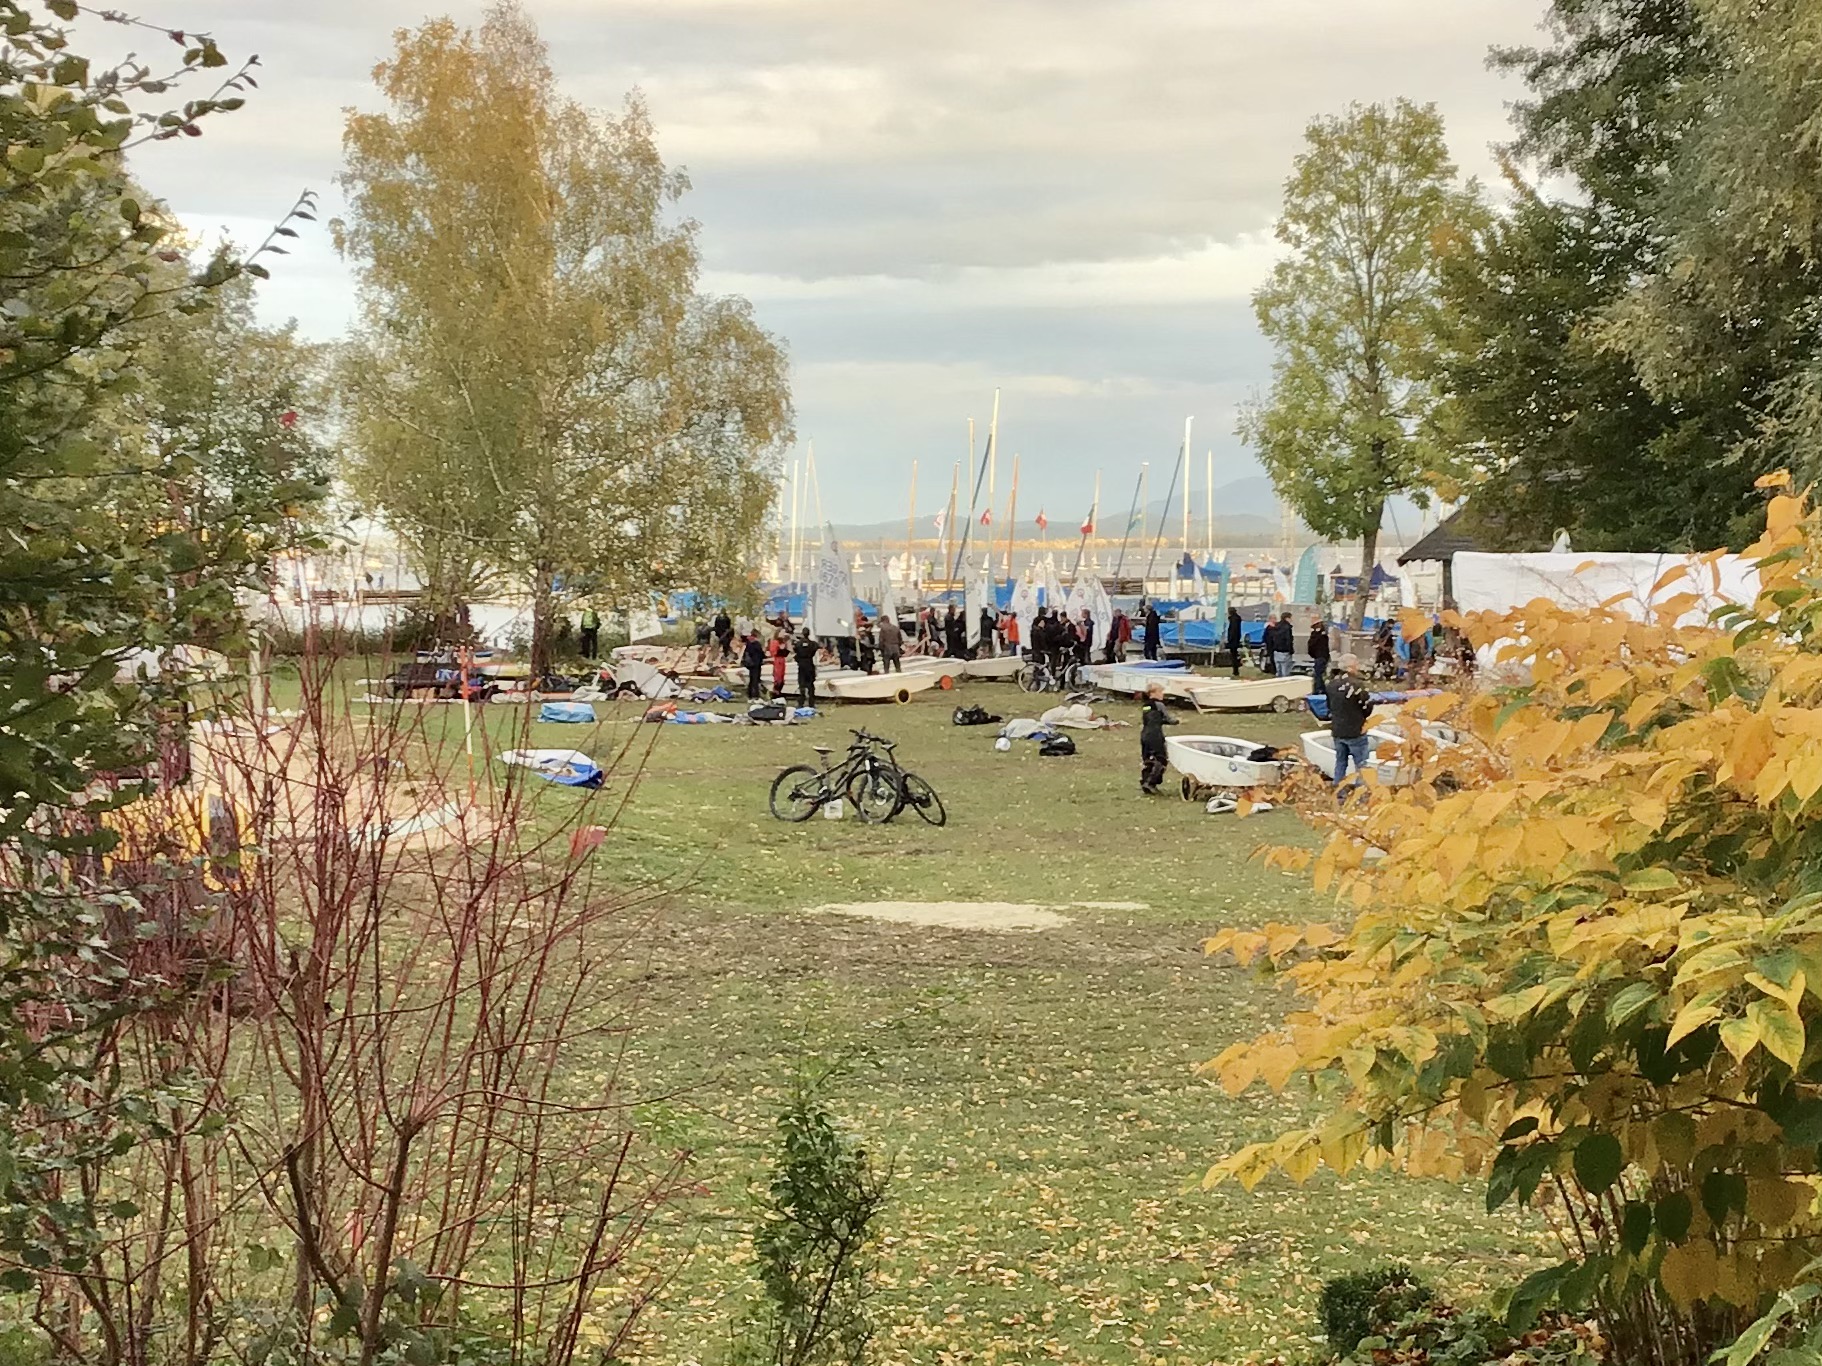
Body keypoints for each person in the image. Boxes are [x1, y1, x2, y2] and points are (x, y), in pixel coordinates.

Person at [1326, 655, 1376, 785]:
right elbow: (1367, 707)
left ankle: (1338, 789)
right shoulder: (1357, 685)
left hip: (1338, 729)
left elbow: (1329, 706)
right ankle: (1360, 792)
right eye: (1356, 665)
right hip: (1355, 730)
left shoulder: (1331, 684)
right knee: (1361, 765)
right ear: (1350, 667)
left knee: (1340, 762)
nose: (1357, 668)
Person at [1138, 681, 1176, 794]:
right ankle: (1151, 783)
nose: (1162, 694)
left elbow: (1151, 718)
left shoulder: (1145, 706)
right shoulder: (1159, 705)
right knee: (1161, 759)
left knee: (1148, 759)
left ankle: (1145, 780)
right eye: (1161, 692)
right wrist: (1176, 721)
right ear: (1153, 693)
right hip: (1155, 735)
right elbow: (1169, 719)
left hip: (1145, 734)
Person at [792, 630, 820, 708]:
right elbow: (817, 647)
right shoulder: (813, 644)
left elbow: (795, 651)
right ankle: (811, 702)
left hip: (801, 665)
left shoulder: (798, 644)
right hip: (809, 664)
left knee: (802, 684)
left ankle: (801, 701)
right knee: (810, 684)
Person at [1308, 618, 1332, 696]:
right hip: (1323, 656)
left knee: (1318, 674)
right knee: (1321, 674)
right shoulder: (1323, 635)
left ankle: (1318, 689)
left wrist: (1313, 654)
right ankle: (1322, 689)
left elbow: (1311, 646)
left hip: (1319, 657)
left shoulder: (1315, 636)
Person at [740, 631, 765, 700]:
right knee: (755, 680)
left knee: (752, 679)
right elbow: (761, 654)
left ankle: (750, 694)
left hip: (751, 664)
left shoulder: (748, 645)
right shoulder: (756, 644)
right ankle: (755, 695)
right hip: (756, 664)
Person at [768, 631, 790, 698]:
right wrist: (780, 648)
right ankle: (775, 692)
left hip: (782, 660)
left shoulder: (783, 642)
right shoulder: (775, 642)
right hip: (778, 660)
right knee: (778, 677)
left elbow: (787, 652)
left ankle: (779, 692)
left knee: (781, 677)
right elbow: (774, 652)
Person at [1225, 607, 1244, 678]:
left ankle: (1235, 671)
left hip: (1233, 640)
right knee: (1234, 655)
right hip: (1236, 639)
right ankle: (1236, 670)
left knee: (1233, 656)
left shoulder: (1233, 620)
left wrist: (1230, 639)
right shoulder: (1236, 619)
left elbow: (1233, 631)